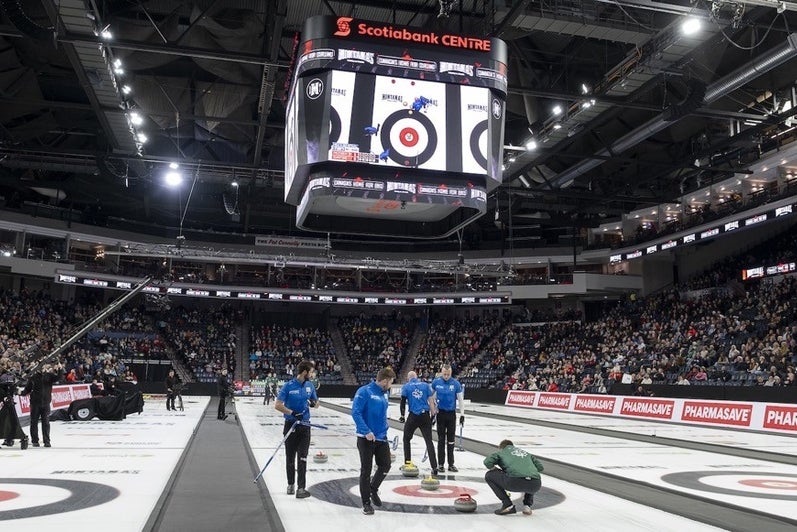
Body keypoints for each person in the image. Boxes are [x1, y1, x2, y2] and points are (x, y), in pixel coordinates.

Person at [351, 366, 396, 515]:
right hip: (366, 439)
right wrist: (366, 431)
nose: (391, 385)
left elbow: (382, 414)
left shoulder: (385, 394)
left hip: (381, 437)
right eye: (390, 382)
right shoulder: (364, 392)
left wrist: (385, 428)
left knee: (386, 465)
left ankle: (373, 489)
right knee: (366, 470)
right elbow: (356, 412)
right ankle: (366, 503)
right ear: (384, 381)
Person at [275, 360, 318, 499]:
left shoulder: (310, 386)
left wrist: (314, 403)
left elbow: (317, 403)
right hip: (291, 425)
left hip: (305, 425)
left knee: (303, 457)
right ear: (305, 372)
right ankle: (290, 484)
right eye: (311, 372)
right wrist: (292, 413)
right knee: (290, 458)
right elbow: (278, 405)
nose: (312, 374)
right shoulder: (288, 386)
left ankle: (301, 488)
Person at [483, 439, 544, 516]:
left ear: (501, 447)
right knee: (531, 477)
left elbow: (487, 462)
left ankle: (507, 504)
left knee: (489, 475)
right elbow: (540, 468)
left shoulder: (502, 452)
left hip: (514, 482)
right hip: (535, 485)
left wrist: (495, 469)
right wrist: (527, 470)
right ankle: (527, 506)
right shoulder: (527, 454)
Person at [399, 370, 438, 475]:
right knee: (429, 441)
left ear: (408, 378)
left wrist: (402, 416)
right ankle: (434, 466)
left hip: (413, 416)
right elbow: (431, 400)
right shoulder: (425, 385)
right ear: (417, 377)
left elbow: (402, 402)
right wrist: (433, 414)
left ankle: (407, 462)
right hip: (425, 415)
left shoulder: (406, 387)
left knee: (406, 439)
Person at [20, 363, 63, 448]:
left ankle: (47, 441)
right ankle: (35, 441)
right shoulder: (33, 377)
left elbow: (59, 377)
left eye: (43, 366)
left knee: (46, 423)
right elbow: (27, 390)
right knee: (34, 422)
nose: (42, 368)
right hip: (35, 404)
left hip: (46, 403)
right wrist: (20, 393)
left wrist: (60, 369)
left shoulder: (49, 376)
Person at [431, 363, 464, 472]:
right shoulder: (436, 382)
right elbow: (430, 397)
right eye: (444, 374)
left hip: (451, 415)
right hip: (440, 414)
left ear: (451, 373)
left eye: (448, 374)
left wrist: (462, 414)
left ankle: (451, 464)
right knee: (441, 440)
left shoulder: (455, 384)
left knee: (451, 440)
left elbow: (460, 400)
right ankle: (440, 464)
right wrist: (432, 411)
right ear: (441, 372)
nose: (446, 376)